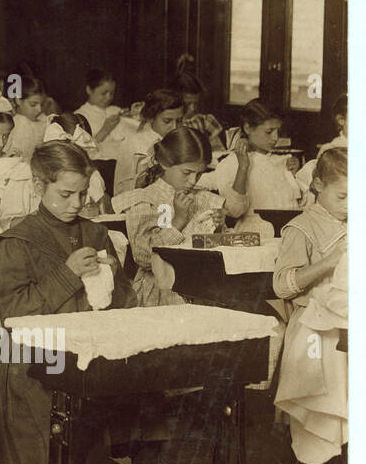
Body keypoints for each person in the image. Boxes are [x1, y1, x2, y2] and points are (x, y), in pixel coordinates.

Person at [0, 142, 175, 464]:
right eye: (65, 194)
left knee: (150, 382)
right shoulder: (16, 241)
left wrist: (113, 286)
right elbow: (13, 312)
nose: (76, 203)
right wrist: (69, 273)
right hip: (38, 353)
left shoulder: (95, 232)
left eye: (83, 193)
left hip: (96, 343)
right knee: (68, 392)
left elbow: (123, 299)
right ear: (39, 186)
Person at [273, 147, 347, 464]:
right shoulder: (301, 228)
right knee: (326, 357)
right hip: (314, 323)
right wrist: (330, 263)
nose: (352, 205)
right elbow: (282, 285)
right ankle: (322, 451)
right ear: (317, 185)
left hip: (348, 314)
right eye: (343, 197)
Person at [114, 127, 228, 307]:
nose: (193, 180)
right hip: (162, 293)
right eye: (187, 172)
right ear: (165, 163)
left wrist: (218, 227)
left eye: (199, 174)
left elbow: (214, 250)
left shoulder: (204, 198)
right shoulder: (148, 200)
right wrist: (178, 220)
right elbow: (144, 256)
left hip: (202, 287)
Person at [199, 99, 300, 217]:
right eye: (269, 131)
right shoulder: (233, 163)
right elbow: (233, 210)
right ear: (247, 128)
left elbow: (293, 205)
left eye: (278, 131)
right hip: (255, 231)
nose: (275, 138)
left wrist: (293, 176)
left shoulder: (280, 161)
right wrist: (243, 168)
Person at [112, 88, 184, 195]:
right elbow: (119, 190)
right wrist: (142, 181)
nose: (174, 127)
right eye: (167, 121)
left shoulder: (182, 140)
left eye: (179, 121)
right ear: (151, 118)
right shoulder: (132, 143)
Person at [74, 68, 128, 160]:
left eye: (112, 93)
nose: (109, 97)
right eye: (104, 93)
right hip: (101, 165)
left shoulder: (115, 110)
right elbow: (81, 152)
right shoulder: (79, 116)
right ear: (89, 90)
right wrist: (105, 130)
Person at [3, 74, 50, 162]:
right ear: (18, 100)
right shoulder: (15, 124)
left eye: (42, 104)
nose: (39, 109)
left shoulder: (44, 120)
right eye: (33, 104)